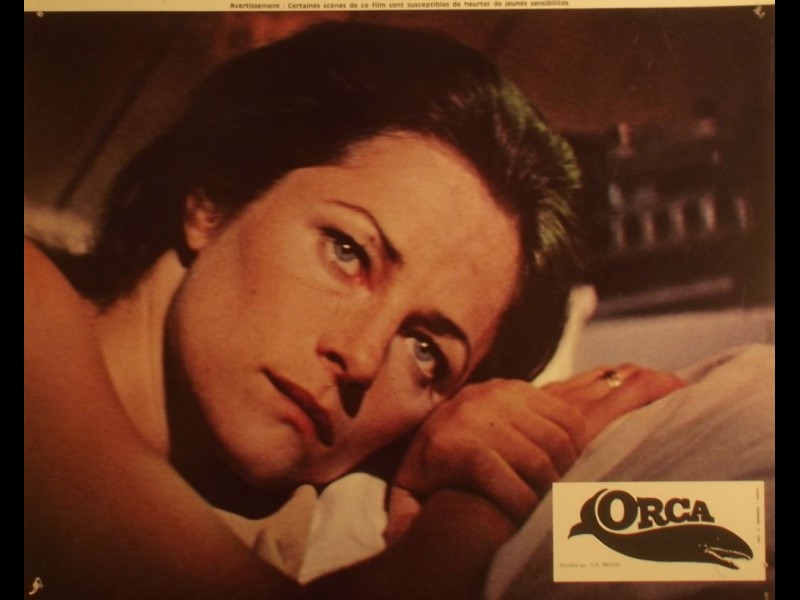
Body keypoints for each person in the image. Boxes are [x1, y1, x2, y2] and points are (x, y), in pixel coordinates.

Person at [24, 21, 683, 599]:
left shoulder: (354, 510)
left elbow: (723, 542)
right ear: (213, 199)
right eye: (347, 252)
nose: (362, 358)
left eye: (426, 350)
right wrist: (477, 503)